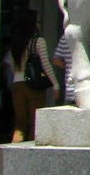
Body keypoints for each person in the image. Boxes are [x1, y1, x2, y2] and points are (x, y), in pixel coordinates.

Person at [9, 14, 57, 142]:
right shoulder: (38, 41)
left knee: (20, 123)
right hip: (33, 85)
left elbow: (13, 66)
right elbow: (45, 64)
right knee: (34, 122)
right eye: (37, 21)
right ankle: (29, 151)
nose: (39, 24)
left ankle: (14, 151)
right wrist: (55, 85)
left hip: (17, 84)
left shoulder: (15, 42)